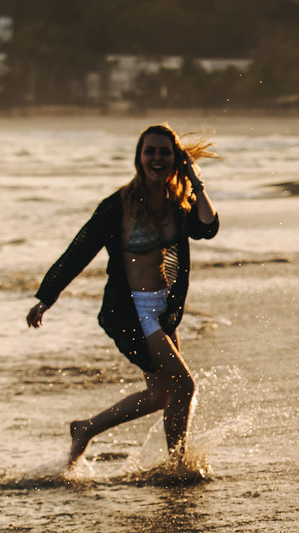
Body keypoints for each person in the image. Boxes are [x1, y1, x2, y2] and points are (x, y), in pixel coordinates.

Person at [26, 124, 219, 468]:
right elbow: (79, 250)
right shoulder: (119, 205)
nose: (156, 158)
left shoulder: (178, 203)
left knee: (164, 393)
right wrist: (47, 296)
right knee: (184, 386)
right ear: (139, 158)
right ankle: (177, 463)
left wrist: (193, 178)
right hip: (131, 311)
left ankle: (86, 429)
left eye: (164, 152)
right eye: (150, 151)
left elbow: (208, 227)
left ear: (175, 158)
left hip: (162, 309)